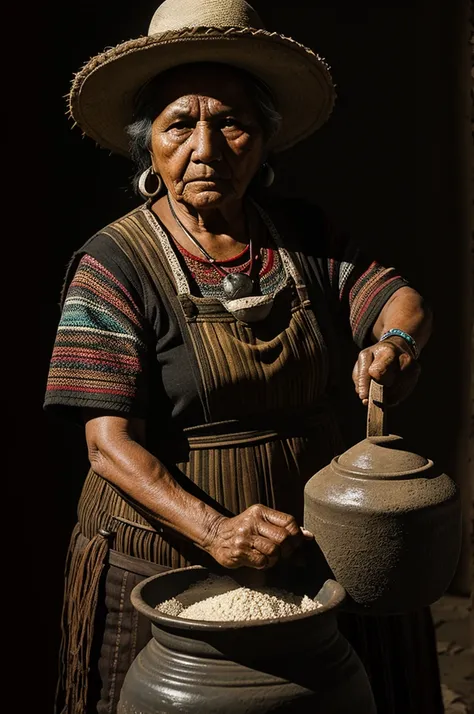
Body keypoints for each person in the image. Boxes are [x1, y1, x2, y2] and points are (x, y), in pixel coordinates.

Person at [45, 1, 443, 712]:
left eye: (231, 122)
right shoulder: (113, 262)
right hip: (166, 560)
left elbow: (400, 298)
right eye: (179, 124)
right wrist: (218, 531)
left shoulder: (302, 234)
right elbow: (106, 445)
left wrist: (396, 344)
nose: (207, 146)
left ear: (263, 141)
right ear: (150, 147)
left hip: (318, 551)